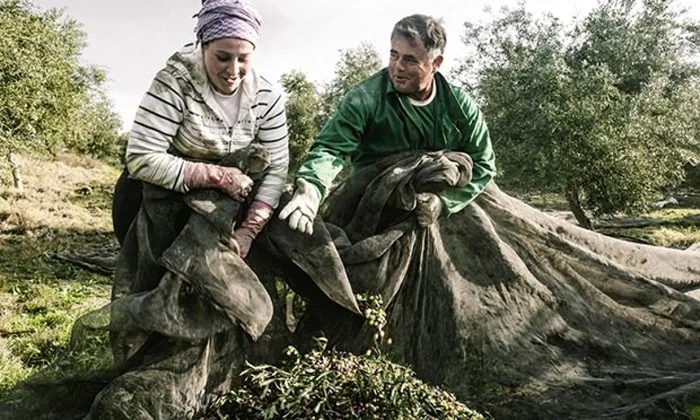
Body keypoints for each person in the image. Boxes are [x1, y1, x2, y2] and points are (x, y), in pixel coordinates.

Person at [280, 14, 495, 234]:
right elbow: (330, 148)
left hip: (439, 199)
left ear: (435, 63)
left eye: (410, 60)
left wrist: (444, 203)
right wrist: (311, 189)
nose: (398, 67)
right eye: (394, 55)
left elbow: (483, 163)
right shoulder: (364, 98)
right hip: (376, 202)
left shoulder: (460, 106)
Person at [113, 0, 289, 258]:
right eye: (222, 57)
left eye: (243, 59)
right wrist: (217, 176)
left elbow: (277, 168)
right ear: (203, 46)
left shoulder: (268, 97)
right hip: (164, 193)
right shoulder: (174, 83)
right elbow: (141, 157)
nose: (232, 70)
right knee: (155, 270)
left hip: (231, 201)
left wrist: (249, 231)